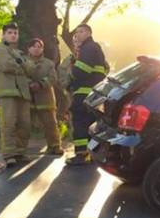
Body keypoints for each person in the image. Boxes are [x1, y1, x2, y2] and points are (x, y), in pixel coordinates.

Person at [0, 23, 35, 167]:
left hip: (22, 93)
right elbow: (6, 65)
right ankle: (9, 155)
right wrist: (22, 65)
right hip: (6, 92)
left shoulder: (20, 53)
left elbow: (32, 70)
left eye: (15, 33)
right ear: (3, 35)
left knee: (25, 124)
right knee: (8, 124)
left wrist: (20, 63)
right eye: (10, 32)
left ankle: (20, 153)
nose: (13, 35)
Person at [67, 24, 108, 166]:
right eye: (76, 32)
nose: (78, 34)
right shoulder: (94, 48)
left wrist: (72, 72)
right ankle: (92, 155)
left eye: (81, 31)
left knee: (80, 124)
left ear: (89, 33)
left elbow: (80, 71)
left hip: (83, 94)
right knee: (91, 124)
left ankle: (81, 155)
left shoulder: (88, 48)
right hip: (93, 94)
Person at [26, 38, 63, 156]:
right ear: (28, 48)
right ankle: (19, 149)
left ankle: (55, 146)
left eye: (39, 47)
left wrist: (40, 84)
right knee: (23, 125)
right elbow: (19, 76)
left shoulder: (49, 63)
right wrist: (29, 84)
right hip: (27, 98)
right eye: (34, 46)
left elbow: (53, 78)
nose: (37, 49)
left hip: (45, 98)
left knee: (50, 124)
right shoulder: (23, 62)